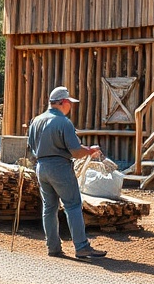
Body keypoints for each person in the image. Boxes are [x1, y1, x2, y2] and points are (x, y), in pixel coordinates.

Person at [27, 86, 107, 259]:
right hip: (60, 167)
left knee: (49, 208)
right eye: (69, 102)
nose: (70, 106)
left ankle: (53, 247)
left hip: (41, 167)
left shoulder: (36, 121)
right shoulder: (63, 122)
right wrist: (89, 150)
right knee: (73, 205)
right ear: (63, 102)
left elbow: (31, 147)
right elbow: (75, 151)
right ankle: (81, 246)